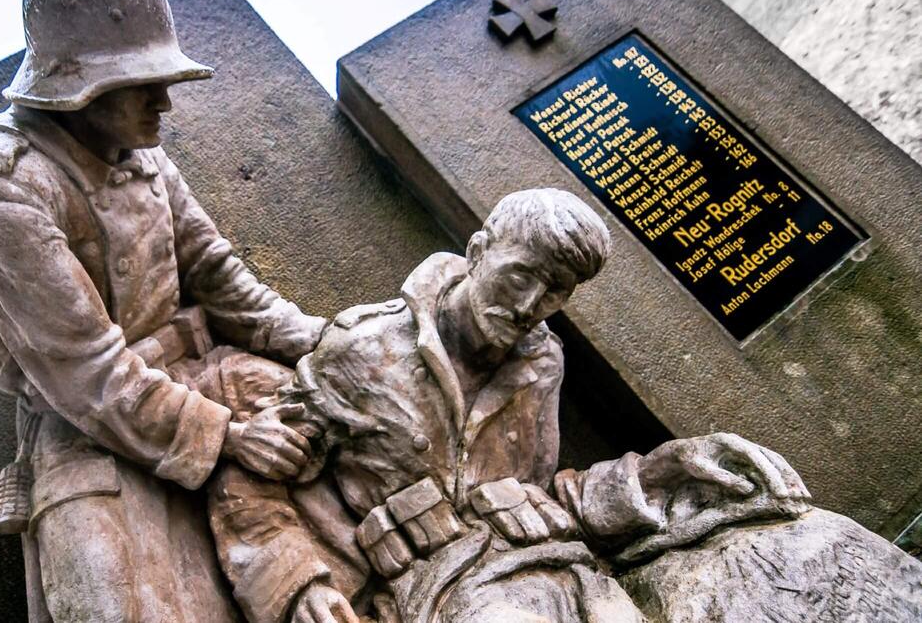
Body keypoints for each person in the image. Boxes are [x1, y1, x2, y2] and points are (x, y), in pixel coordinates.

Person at [209, 189, 828, 622]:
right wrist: (297, 587)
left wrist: (669, 471)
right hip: (436, 588)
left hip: (554, 568)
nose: (532, 303)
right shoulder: (362, 346)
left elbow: (540, 494)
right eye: (520, 275)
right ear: (479, 252)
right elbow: (254, 478)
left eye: (556, 290)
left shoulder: (542, 362)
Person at [0, 0, 321, 620]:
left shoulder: (138, 150)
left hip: (205, 383)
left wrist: (321, 340)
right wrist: (227, 437)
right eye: (143, 85)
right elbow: (87, 374)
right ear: (80, 87)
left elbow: (216, 271)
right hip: (91, 439)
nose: (164, 104)